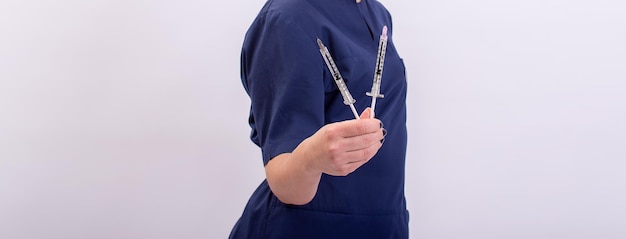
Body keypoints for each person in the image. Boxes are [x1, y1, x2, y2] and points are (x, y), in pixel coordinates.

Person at [230, 0, 408, 238]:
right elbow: (286, 185)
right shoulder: (287, 18)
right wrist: (313, 158)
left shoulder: (377, 13)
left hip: (383, 223)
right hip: (306, 227)